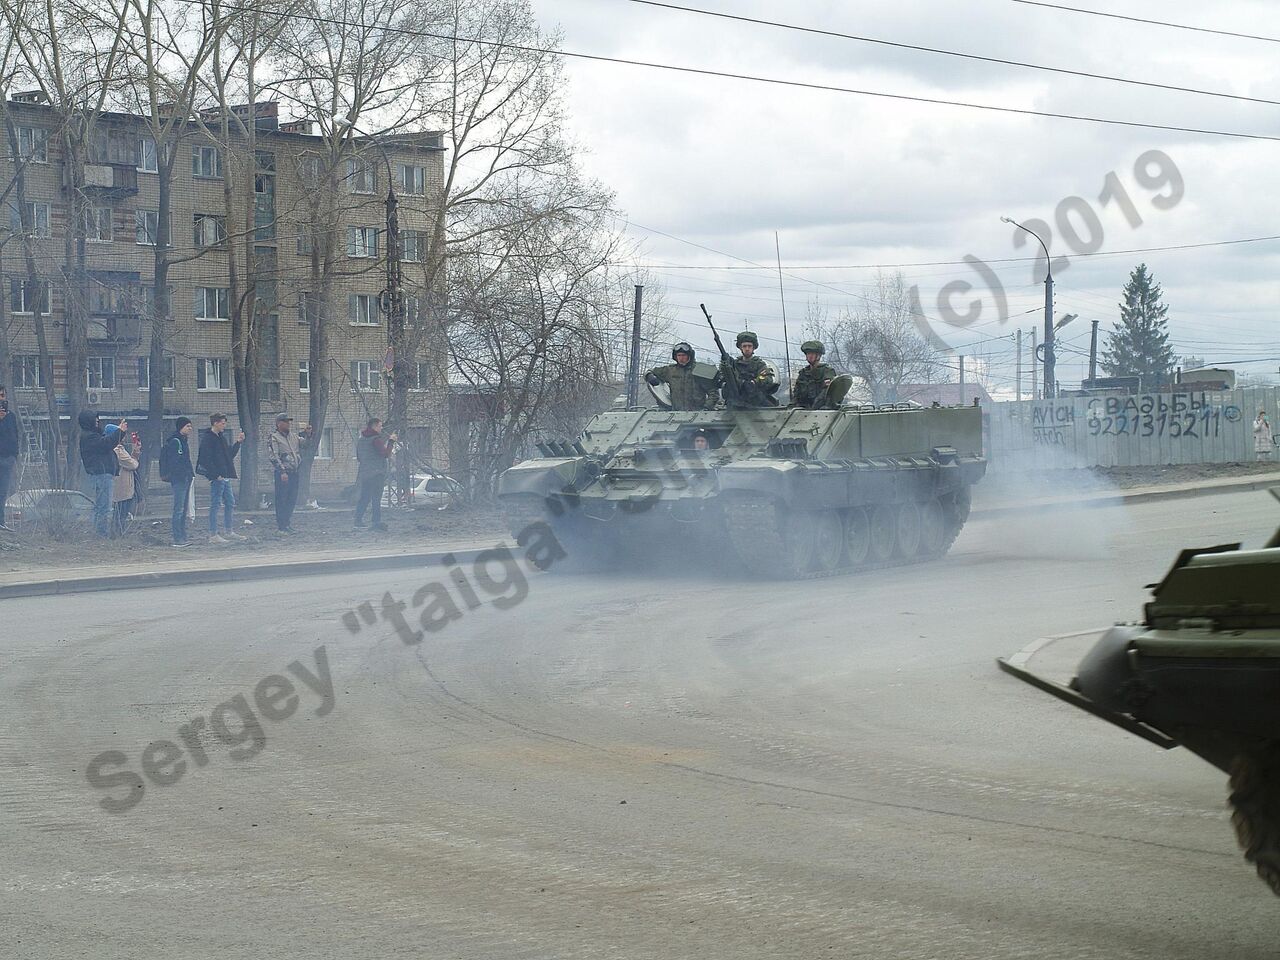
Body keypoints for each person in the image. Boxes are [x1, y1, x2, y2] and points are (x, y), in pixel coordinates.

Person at [197, 413, 246, 543]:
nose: (224, 425)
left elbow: (229, 455)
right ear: (216, 423)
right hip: (217, 477)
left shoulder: (221, 438)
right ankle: (213, 534)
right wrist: (215, 475)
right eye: (223, 423)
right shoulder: (208, 439)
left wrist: (238, 443)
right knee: (215, 504)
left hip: (225, 476)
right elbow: (205, 459)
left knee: (230, 502)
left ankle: (228, 531)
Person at [78, 410, 126, 538]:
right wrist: (120, 432)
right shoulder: (90, 437)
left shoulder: (92, 435)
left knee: (101, 506)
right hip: (102, 474)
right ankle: (101, 535)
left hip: (102, 474)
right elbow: (106, 444)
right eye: (95, 419)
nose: (97, 421)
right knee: (103, 507)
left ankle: (98, 534)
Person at [266, 413, 313, 533]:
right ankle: (281, 525)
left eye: (289, 422)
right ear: (279, 423)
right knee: (282, 499)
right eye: (285, 421)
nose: (288, 424)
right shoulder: (274, 437)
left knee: (292, 499)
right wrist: (282, 471)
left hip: (294, 472)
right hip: (283, 473)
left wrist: (308, 435)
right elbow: (274, 456)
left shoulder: (294, 436)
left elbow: (306, 445)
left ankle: (287, 523)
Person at [644, 342, 717, 411]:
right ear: (675, 357)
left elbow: (713, 393)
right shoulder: (670, 370)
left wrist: (707, 407)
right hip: (677, 413)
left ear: (689, 356)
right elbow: (650, 371)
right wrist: (649, 375)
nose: (681, 358)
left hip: (698, 413)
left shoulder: (700, 370)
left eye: (683, 355)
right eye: (679, 355)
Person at [354, 417, 396, 531]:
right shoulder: (376, 440)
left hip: (365, 473)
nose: (381, 428)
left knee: (364, 497)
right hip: (377, 473)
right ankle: (376, 521)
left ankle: (357, 520)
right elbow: (385, 454)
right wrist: (391, 441)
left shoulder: (361, 440)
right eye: (380, 426)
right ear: (374, 426)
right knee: (376, 498)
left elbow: (359, 457)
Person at [159, 417, 195, 546]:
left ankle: (182, 536)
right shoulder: (176, 442)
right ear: (181, 427)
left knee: (183, 509)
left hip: (185, 478)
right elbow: (177, 462)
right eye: (188, 426)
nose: (190, 429)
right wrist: (184, 474)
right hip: (180, 480)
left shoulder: (183, 441)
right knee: (179, 509)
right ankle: (178, 538)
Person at [719, 331, 776, 408]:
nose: (747, 349)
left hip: (755, 404)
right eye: (744, 346)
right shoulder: (733, 365)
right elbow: (722, 379)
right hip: (735, 404)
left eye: (749, 346)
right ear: (740, 347)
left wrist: (754, 382)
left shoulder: (759, 364)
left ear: (754, 348)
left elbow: (767, 379)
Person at [106, 424, 139, 536]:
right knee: (120, 514)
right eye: (121, 434)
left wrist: (135, 453)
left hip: (125, 488)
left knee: (122, 513)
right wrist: (134, 457)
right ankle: (117, 534)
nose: (124, 436)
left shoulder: (120, 449)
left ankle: (119, 533)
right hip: (122, 488)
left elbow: (131, 462)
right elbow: (132, 464)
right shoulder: (117, 450)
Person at [791, 340, 841, 409]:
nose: (809, 356)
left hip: (822, 411)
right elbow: (797, 394)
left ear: (819, 355)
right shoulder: (803, 373)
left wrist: (815, 407)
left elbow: (826, 392)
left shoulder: (827, 371)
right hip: (803, 411)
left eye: (812, 353)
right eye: (808, 353)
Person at [0, 384, 18, 531]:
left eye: (2, 396)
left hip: (7, 459)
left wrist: (14, 455)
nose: (1, 399)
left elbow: (14, 436)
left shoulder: (11, 416)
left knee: (3, 492)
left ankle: (1, 522)